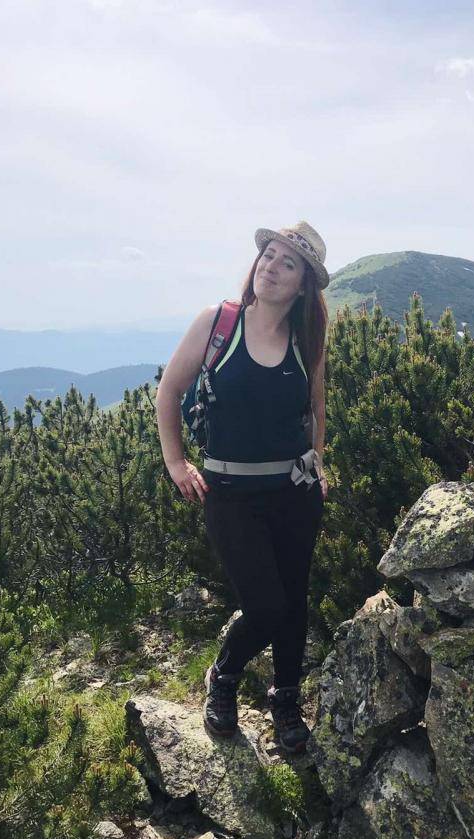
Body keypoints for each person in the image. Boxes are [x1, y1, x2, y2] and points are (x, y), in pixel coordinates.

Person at [155, 221, 330, 753]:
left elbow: (316, 407)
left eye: (287, 262)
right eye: (268, 255)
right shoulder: (218, 323)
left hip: (295, 492)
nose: (271, 267)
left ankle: (286, 700)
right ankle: (225, 674)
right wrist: (176, 462)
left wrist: (318, 463)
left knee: (294, 602)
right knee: (265, 605)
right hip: (229, 493)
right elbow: (169, 392)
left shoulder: (306, 339)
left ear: (303, 284)